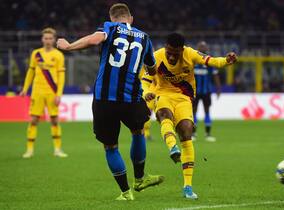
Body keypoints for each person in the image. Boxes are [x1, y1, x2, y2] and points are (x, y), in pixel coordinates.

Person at [56, 3, 163, 201]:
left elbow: (96, 40)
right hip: (131, 97)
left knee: (110, 146)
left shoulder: (110, 27)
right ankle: (139, 179)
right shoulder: (145, 37)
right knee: (138, 132)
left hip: (104, 98)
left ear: (112, 18)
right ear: (130, 18)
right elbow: (152, 69)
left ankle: (125, 192)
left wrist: (68, 46)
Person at [142, 33, 237, 199]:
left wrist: (226, 61)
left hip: (184, 99)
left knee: (186, 131)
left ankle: (187, 187)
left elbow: (211, 61)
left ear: (182, 50)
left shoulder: (190, 53)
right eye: (169, 52)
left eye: (175, 53)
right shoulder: (155, 56)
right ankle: (172, 147)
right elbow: (145, 78)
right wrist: (147, 92)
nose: (171, 56)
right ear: (166, 47)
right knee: (165, 115)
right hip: (162, 94)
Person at [20, 27, 67, 158]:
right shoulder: (36, 54)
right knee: (34, 120)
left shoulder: (58, 55)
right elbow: (30, 72)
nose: (48, 40)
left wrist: (59, 94)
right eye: (46, 38)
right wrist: (25, 88)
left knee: (54, 120)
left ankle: (57, 149)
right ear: (42, 39)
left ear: (54, 39)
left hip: (52, 92)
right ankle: (29, 150)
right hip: (37, 91)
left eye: (50, 38)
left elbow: (61, 76)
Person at [193, 41, 221, 142]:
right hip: (194, 91)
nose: (202, 48)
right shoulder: (193, 60)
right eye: (200, 47)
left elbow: (215, 75)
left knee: (207, 111)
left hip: (206, 91)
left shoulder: (209, 61)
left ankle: (208, 134)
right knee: (193, 112)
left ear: (206, 48)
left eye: (204, 47)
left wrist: (218, 89)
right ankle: (193, 134)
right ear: (197, 48)